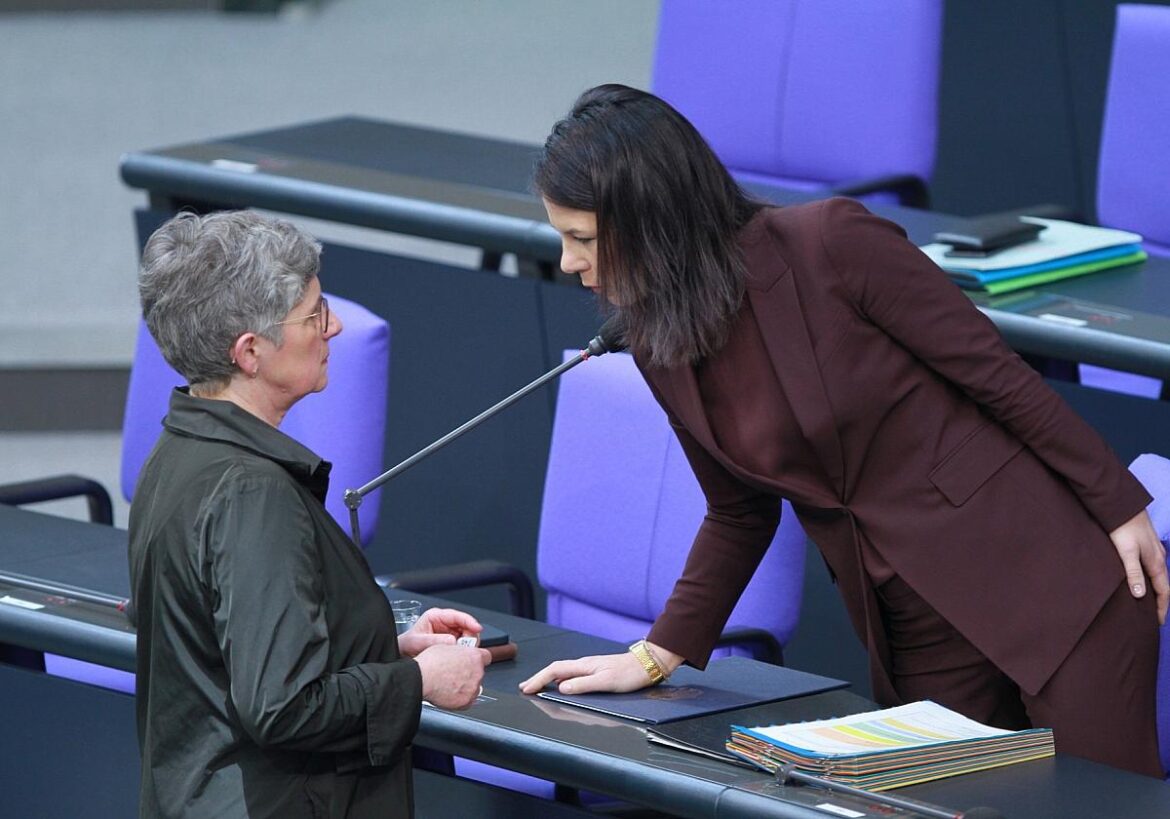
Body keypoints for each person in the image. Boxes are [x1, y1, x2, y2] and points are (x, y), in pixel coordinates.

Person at [519, 84, 1169, 777]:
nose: (568, 263)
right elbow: (739, 511)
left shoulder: (830, 243)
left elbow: (995, 375)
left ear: (651, 218)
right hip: (911, 625)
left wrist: (1118, 502)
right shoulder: (658, 341)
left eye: (582, 238)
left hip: (1043, 576)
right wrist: (655, 653)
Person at [129, 210, 491, 818]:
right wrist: (420, 682)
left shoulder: (177, 451)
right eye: (315, 315)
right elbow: (285, 708)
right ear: (250, 352)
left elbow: (223, 648)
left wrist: (380, 647)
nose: (336, 326)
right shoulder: (251, 493)